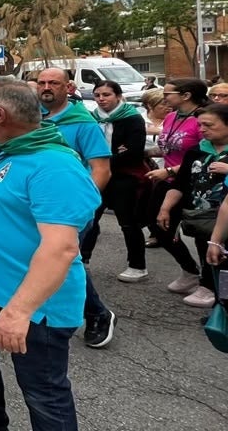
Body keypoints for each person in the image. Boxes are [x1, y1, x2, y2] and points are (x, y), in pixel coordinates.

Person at [0, 78, 100, 431]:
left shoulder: (54, 165)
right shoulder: (2, 148)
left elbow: (61, 247)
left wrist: (19, 311)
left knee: (43, 392)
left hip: (31, 302)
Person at [37, 68, 116, 349]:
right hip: (38, 207)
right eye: (42, 82)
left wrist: (84, 206)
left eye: (53, 83)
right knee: (45, 260)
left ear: (68, 87)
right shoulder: (33, 119)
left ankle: (97, 314)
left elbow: (101, 169)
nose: (46, 87)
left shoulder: (83, 122)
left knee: (65, 262)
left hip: (70, 211)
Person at [155, 104, 228, 308]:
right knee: (206, 251)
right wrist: (165, 208)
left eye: (209, 125)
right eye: (200, 125)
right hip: (201, 214)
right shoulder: (197, 151)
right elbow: (181, 183)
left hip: (225, 215)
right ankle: (209, 290)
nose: (202, 129)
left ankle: (218, 297)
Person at [143, 79, 210, 278]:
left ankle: (209, 283)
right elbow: (168, 148)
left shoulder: (203, 119)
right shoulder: (172, 116)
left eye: (167, 94)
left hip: (193, 184)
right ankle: (189, 270)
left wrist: (170, 171)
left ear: (186, 95)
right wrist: (143, 153)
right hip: (168, 183)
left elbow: (204, 156)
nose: (164, 99)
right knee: (158, 226)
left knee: (200, 233)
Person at [89, 81, 151, 283]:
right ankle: (83, 259)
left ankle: (137, 266)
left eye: (106, 94)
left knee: (127, 222)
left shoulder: (132, 118)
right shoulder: (93, 117)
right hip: (98, 173)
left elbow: (133, 152)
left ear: (117, 96)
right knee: (89, 218)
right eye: (97, 95)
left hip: (125, 176)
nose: (101, 99)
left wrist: (104, 160)